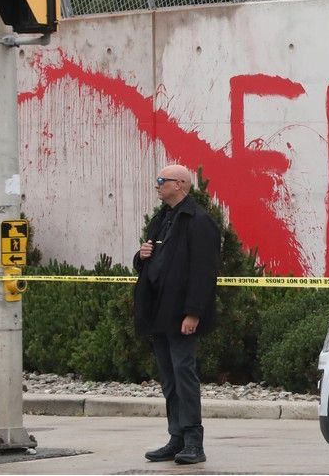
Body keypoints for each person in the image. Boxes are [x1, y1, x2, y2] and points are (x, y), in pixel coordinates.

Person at [134, 164, 220, 465]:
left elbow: (204, 272)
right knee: (169, 379)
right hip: (159, 311)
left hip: (181, 314)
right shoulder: (162, 219)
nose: (157, 185)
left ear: (180, 184)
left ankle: (194, 441)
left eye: (162, 180)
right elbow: (152, 262)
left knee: (184, 375)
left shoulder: (198, 221)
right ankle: (177, 437)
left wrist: (193, 313)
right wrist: (141, 256)